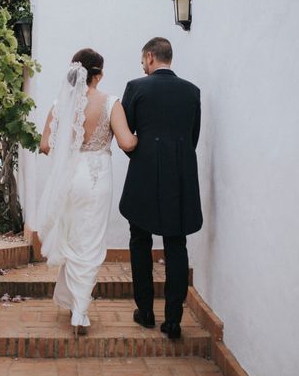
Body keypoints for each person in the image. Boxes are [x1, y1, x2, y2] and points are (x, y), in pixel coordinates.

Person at [37, 48, 138, 336]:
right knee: (90, 243)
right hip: (96, 178)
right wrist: (138, 137)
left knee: (72, 239)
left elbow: (45, 145)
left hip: (70, 178)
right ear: (99, 74)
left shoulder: (60, 104)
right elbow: (127, 142)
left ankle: (75, 305)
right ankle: (80, 310)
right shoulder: (110, 103)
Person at [120, 37, 202, 340]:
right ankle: (173, 321)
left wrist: (142, 156)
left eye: (144, 60)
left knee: (139, 240)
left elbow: (126, 135)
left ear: (151, 57)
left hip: (143, 175)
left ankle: (145, 312)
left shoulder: (137, 87)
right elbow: (192, 137)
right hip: (180, 177)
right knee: (176, 244)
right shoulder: (192, 92)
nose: (143, 66)